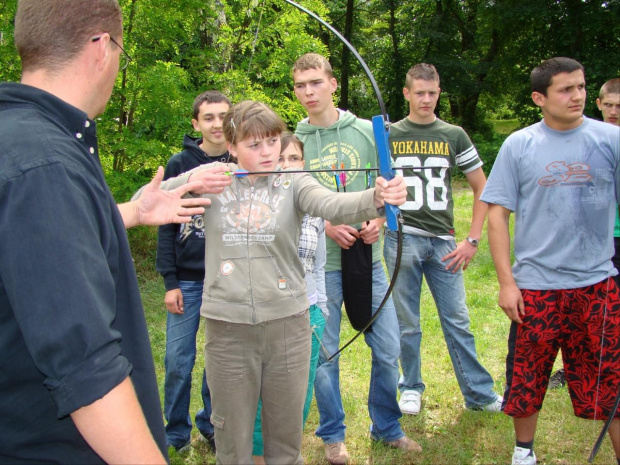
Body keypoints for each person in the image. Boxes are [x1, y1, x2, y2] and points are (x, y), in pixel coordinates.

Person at [137, 100, 408, 465]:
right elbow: (144, 202)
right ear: (232, 147)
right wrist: (192, 179)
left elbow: (335, 204)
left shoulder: (293, 183)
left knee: (285, 441)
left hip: (288, 329)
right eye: (254, 144)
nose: (267, 152)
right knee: (233, 443)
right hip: (227, 330)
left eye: (272, 141)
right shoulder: (213, 181)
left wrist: (378, 198)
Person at [0, 0, 213, 462]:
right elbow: (85, 369)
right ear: (101, 48)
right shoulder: (46, 163)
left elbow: (38, 240)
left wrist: (134, 211)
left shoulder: (17, 139)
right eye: (121, 52)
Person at [481, 57, 620, 465]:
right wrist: (508, 283)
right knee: (526, 376)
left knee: (609, 379)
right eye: (565, 89)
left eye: (580, 87)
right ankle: (524, 451)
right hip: (536, 287)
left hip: (597, 284)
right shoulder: (519, 144)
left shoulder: (610, 140)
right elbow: (496, 214)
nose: (577, 96)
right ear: (539, 98)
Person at [292, 52, 422, 464]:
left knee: (386, 348)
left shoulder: (368, 132)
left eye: (316, 82)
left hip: (369, 260)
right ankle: (333, 434)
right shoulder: (294, 139)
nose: (309, 92)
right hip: (320, 264)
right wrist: (327, 223)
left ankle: (386, 427)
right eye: (300, 85)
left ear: (333, 84)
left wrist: (379, 220)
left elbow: (391, 187)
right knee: (325, 355)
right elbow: (291, 197)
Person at [383, 63, 502, 416]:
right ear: (406, 93)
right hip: (401, 237)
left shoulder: (453, 134)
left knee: (457, 319)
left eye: (432, 93)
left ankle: (479, 394)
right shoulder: (389, 135)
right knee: (406, 322)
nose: (426, 99)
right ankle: (411, 386)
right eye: (419, 92)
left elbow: (483, 188)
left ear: (439, 92)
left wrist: (472, 240)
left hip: (444, 241)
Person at [157, 90, 231, 453]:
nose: (217, 124)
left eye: (223, 116)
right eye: (209, 117)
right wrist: (170, 282)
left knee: (219, 361)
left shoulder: (241, 161)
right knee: (177, 360)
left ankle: (211, 422)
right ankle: (176, 431)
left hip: (226, 278)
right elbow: (166, 225)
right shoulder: (179, 163)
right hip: (187, 279)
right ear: (196, 123)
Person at [251, 132, 329, 465]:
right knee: (258, 404)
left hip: (306, 315)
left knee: (296, 400)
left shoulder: (314, 208)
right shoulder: (251, 206)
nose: (286, 165)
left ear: (304, 165)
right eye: (279, 158)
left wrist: (322, 311)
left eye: (294, 158)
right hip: (263, 318)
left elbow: (320, 266)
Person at [548, 76, 620, 390]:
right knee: (582, 311)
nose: (614, 111)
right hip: (592, 239)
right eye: (609, 105)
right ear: (599, 105)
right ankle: (574, 367)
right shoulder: (588, 141)